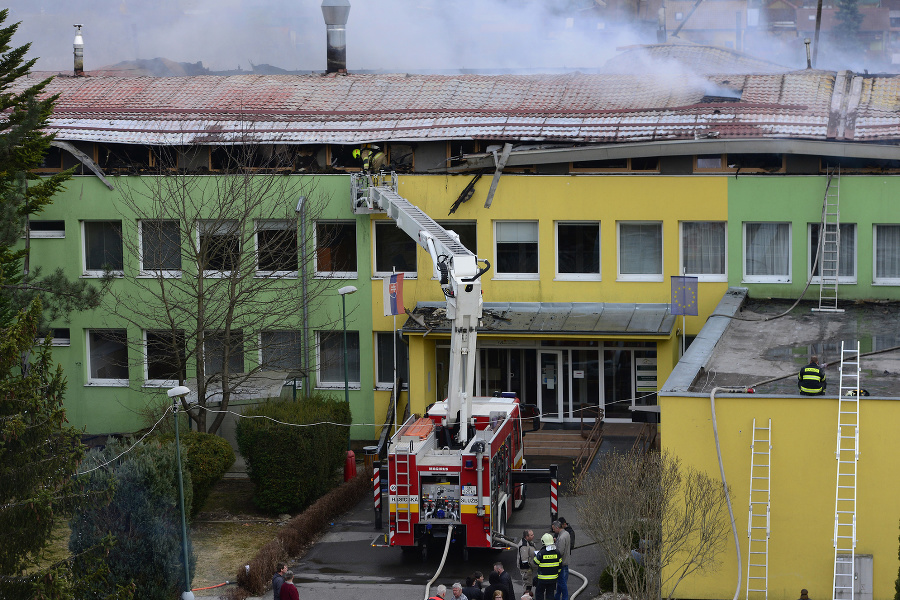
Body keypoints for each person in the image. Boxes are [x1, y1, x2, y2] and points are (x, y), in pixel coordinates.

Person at [533, 533, 561, 600]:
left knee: (539, 594)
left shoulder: (541, 553)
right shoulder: (557, 552)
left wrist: (537, 555)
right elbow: (560, 566)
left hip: (542, 579)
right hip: (553, 579)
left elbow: (535, 562)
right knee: (550, 594)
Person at [551, 520, 571, 600]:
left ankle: (565, 598)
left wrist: (553, 547)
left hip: (561, 563)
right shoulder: (566, 534)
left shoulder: (562, 537)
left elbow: (560, 552)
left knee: (562, 583)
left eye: (553, 528)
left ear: (557, 527)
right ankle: (557, 597)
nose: (553, 530)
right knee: (561, 582)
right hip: (566, 562)